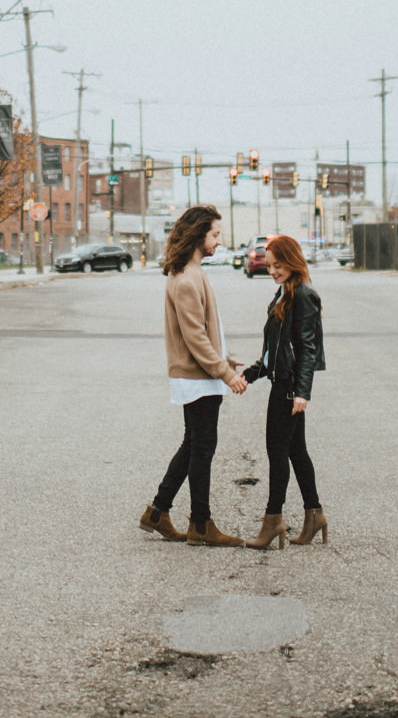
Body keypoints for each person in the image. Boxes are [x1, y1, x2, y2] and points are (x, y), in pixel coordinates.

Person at [139, 205, 248, 546]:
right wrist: (224, 372)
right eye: (215, 234)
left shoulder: (191, 273)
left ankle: (157, 512)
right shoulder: (187, 278)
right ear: (199, 234)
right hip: (197, 376)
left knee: (194, 445)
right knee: (202, 447)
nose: (219, 239)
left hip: (200, 372)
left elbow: (203, 331)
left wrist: (225, 358)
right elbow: (194, 336)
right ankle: (200, 524)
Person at [241, 234, 327, 549]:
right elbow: (273, 352)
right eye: (269, 265)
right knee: (295, 452)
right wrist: (250, 374)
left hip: (289, 390)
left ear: (292, 261)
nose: (272, 270)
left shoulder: (303, 295)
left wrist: (303, 392)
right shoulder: (284, 294)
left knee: (278, 454)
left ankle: (273, 520)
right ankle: (314, 515)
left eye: (278, 265)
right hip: (282, 383)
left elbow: (306, 348)